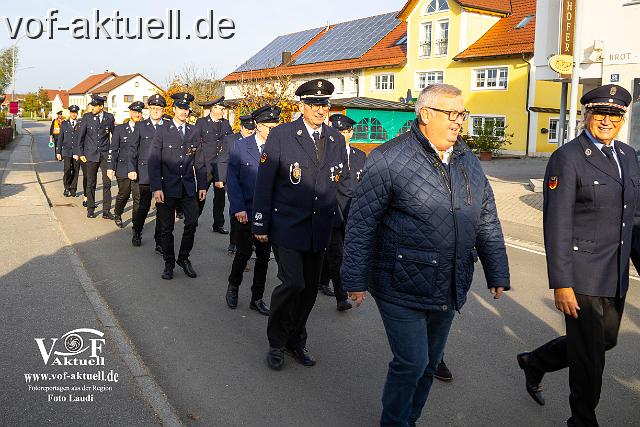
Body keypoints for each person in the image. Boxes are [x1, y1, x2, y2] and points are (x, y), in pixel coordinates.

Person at [341, 84, 510, 426]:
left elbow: (487, 218)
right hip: (398, 282)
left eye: (462, 113)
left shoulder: (468, 161)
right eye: (452, 113)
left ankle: (409, 420)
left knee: (431, 363)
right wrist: (354, 279)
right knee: (412, 362)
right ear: (425, 114)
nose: (458, 121)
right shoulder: (388, 158)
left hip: (448, 281)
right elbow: (360, 225)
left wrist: (497, 270)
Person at [517, 84, 638, 427]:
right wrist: (562, 283)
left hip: (614, 273)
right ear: (586, 114)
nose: (606, 120)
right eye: (600, 113)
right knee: (590, 360)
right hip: (581, 272)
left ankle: (536, 361)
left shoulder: (628, 155)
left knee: (606, 341)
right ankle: (582, 421)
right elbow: (556, 224)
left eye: (614, 114)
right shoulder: (568, 158)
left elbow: (635, 218)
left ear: (622, 118)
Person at [252, 79, 352, 370]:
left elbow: (342, 183)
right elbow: (265, 182)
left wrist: (343, 219)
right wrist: (260, 223)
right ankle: (276, 342)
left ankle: (297, 340)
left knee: (309, 290)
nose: (320, 109)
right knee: (293, 283)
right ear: (302, 106)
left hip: (320, 227)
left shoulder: (335, 139)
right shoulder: (282, 135)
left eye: (324, 104)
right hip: (288, 225)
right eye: (314, 104)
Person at [225, 107, 279, 316]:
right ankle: (233, 286)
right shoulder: (240, 146)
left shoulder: (277, 147)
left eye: (276, 127)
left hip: (268, 212)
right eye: (269, 127)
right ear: (258, 126)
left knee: (264, 257)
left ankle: (257, 297)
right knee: (244, 253)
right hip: (246, 211)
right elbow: (233, 180)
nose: (273, 131)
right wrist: (238, 207)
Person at [149, 92, 207, 280]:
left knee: (192, 222)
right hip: (166, 188)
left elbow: (199, 161)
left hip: (188, 187)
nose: (184, 111)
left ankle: (183, 257)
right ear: (173, 109)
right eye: (181, 108)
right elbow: (154, 160)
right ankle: (169, 263)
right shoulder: (163, 130)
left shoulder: (193, 131)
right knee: (167, 228)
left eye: (187, 108)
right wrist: (156, 187)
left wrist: (202, 185)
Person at [316, 113, 366, 311]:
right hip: (331, 212)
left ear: (351, 133)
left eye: (345, 131)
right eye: (338, 131)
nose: (342, 135)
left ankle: (323, 279)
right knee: (337, 254)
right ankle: (341, 296)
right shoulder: (324, 155)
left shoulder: (360, 156)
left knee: (341, 252)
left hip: (353, 213)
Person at [129, 94, 167, 249]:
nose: (155, 111)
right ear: (149, 109)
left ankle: (159, 240)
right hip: (144, 172)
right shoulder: (141, 126)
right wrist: (132, 169)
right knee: (143, 207)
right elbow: (133, 149)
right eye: (153, 108)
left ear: (163, 110)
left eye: (158, 108)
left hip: (164, 173)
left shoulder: (168, 126)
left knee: (162, 208)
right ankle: (137, 231)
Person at [218, 114, 256, 255]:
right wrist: (220, 179)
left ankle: (250, 241)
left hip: (251, 182)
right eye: (247, 130)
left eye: (252, 130)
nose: (250, 132)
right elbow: (222, 160)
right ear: (241, 127)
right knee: (236, 213)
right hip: (234, 181)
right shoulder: (231, 140)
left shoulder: (256, 141)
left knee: (252, 213)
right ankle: (233, 242)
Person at [195, 96, 233, 233]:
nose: (223, 111)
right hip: (206, 165)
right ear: (213, 108)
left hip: (221, 166)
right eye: (221, 108)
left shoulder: (226, 124)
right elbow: (196, 144)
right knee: (201, 194)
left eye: (223, 109)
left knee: (220, 198)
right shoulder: (201, 123)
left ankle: (218, 224)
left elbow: (231, 141)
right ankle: (194, 217)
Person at [78, 94, 115, 219]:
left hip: (105, 154)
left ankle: (106, 211)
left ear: (101, 106)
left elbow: (114, 137)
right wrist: (81, 153)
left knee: (107, 183)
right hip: (91, 154)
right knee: (91, 183)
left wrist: (114, 154)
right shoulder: (87, 117)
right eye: (91, 105)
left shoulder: (109, 117)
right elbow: (81, 137)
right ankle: (90, 208)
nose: (92, 108)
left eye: (94, 106)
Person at [108, 101, 143, 228]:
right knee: (124, 193)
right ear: (130, 113)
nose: (137, 115)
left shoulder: (144, 128)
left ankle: (136, 222)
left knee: (138, 196)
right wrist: (110, 167)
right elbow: (113, 149)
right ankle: (117, 213)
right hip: (122, 167)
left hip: (138, 168)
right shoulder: (120, 129)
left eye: (139, 112)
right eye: (135, 112)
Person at [55, 105, 82, 197]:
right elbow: (60, 139)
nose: (74, 114)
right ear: (70, 113)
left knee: (76, 170)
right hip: (66, 151)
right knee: (67, 170)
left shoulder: (80, 124)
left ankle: (73, 188)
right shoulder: (64, 124)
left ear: (77, 114)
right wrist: (58, 152)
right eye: (72, 112)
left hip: (77, 152)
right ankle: (66, 187)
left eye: (75, 113)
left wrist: (80, 152)